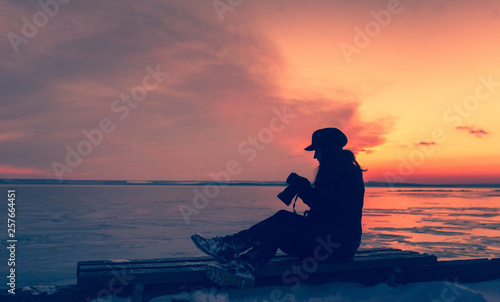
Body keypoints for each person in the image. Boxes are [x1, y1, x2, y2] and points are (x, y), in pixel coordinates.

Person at [191, 128, 365, 289]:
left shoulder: (350, 174)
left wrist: (305, 191)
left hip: (341, 245)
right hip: (325, 244)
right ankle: (246, 265)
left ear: (328, 149)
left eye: (317, 150)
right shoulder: (329, 174)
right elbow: (323, 212)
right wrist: (306, 191)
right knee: (277, 231)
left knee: (283, 219)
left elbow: (337, 214)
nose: (315, 156)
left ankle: (230, 245)